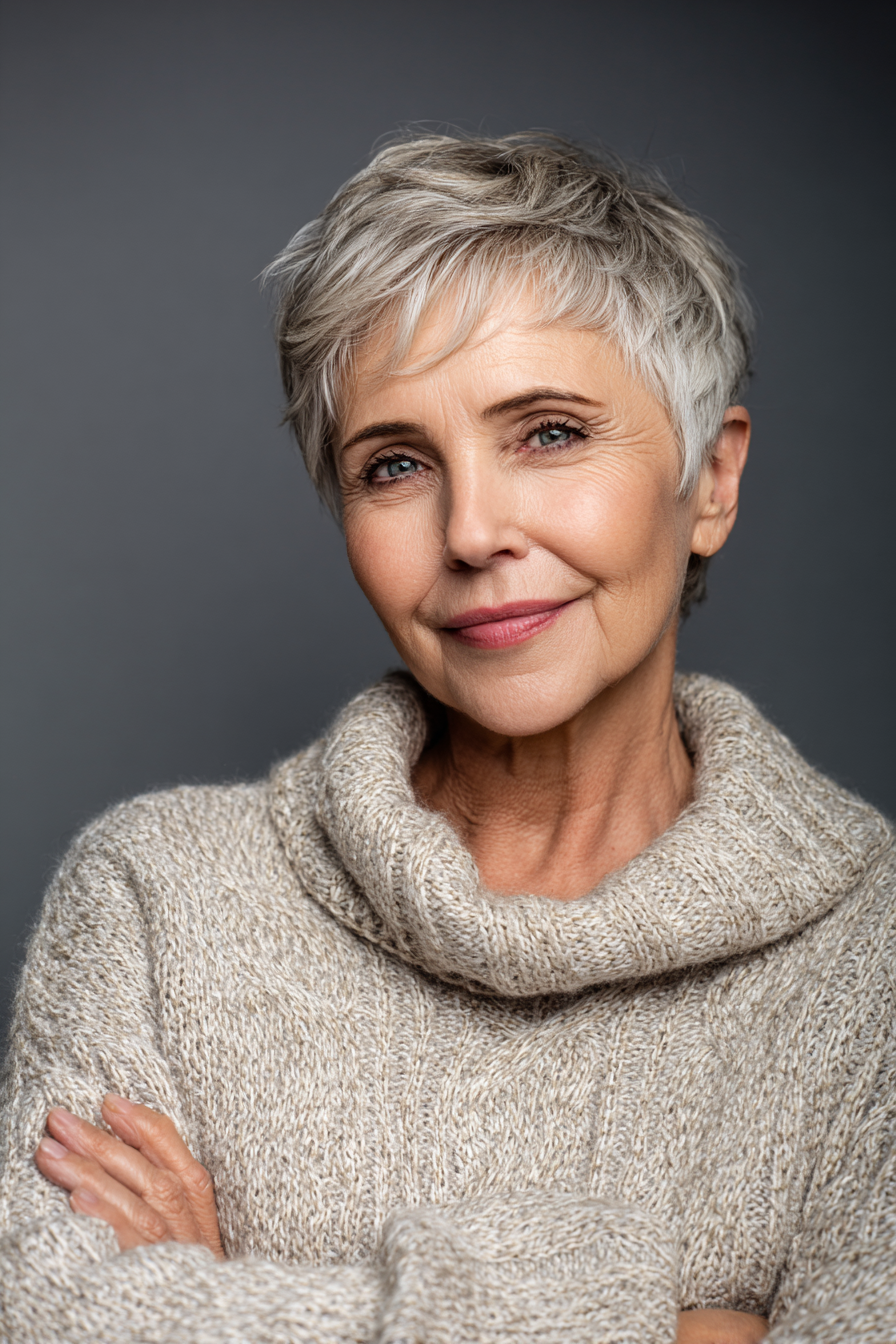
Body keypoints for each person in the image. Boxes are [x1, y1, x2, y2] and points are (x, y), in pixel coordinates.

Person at [1, 133, 892, 1344]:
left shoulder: (871, 964)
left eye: (549, 433)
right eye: (395, 463)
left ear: (712, 480)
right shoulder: (156, 902)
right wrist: (669, 1328)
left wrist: (220, 1303)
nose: (472, 530)